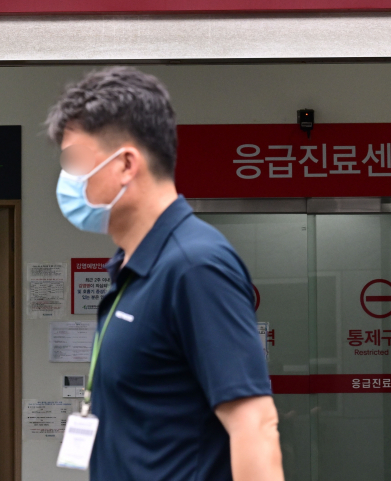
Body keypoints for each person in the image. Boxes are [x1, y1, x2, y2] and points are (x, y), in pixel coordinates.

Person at [46, 66, 284, 481]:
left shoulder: (195, 266)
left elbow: (255, 426)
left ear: (125, 165)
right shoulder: (132, 269)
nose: (67, 180)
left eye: (75, 161)